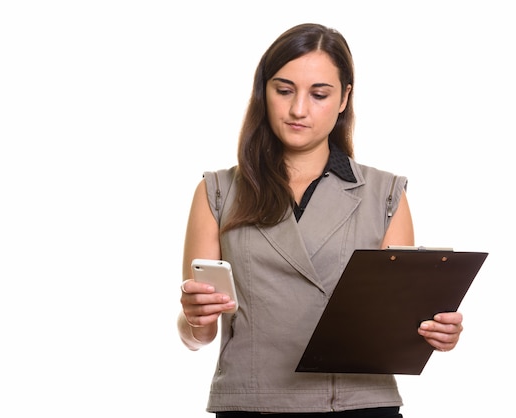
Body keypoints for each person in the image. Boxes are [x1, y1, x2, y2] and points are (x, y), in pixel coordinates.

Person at [177, 23, 463, 417]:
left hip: (359, 404)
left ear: (344, 97)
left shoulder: (385, 194)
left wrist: (435, 332)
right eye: (283, 90)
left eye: (319, 94)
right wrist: (194, 318)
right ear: (263, 92)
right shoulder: (218, 191)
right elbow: (198, 335)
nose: (298, 109)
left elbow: (395, 325)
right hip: (251, 402)